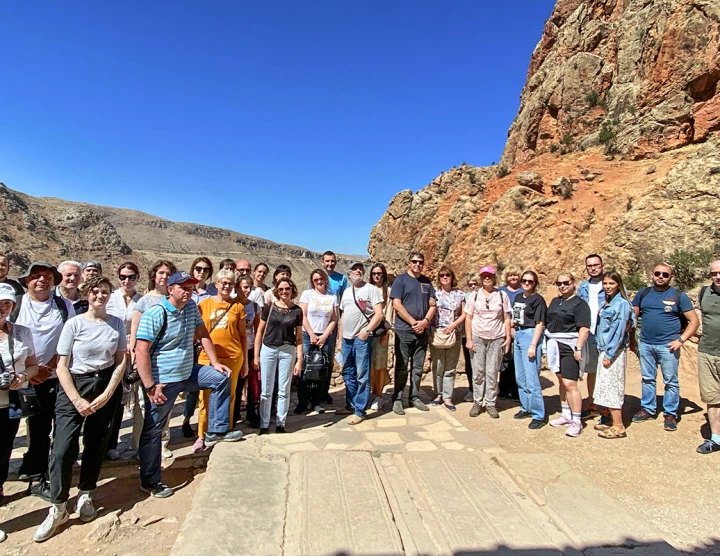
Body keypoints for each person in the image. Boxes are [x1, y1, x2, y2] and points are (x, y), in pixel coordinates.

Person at [33, 276, 127, 542]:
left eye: (105, 292)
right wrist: (76, 399)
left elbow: (121, 360)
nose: (100, 296)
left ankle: (86, 492)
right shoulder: (74, 324)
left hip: (105, 383)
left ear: (110, 295)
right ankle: (58, 505)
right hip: (75, 384)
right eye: (95, 291)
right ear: (88, 294)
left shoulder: (116, 323)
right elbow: (62, 365)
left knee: (96, 443)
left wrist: (109, 393)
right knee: (62, 447)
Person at [136, 271, 241, 498]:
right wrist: (149, 386)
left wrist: (214, 362)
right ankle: (151, 480)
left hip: (187, 373)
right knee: (153, 430)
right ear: (170, 289)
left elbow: (202, 333)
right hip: (163, 381)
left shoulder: (191, 308)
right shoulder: (156, 313)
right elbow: (141, 349)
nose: (187, 291)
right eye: (183, 287)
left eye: (190, 287)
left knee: (221, 378)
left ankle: (216, 430)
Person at [14, 262, 75, 500]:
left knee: (50, 426)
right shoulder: (16, 305)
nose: (42, 280)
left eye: (47, 276)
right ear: (27, 280)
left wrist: (47, 367)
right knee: (31, 428)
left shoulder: (63, 306)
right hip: (21, 377)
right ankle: (32, 472)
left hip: (54, 375)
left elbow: (68, 338)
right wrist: (30, 370)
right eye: (36, 276)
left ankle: (44, 473)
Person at [631, 263, 699, 431]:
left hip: (668, 346)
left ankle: (670, 413)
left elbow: (694, 321)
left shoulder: (678, 296)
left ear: (671, 278)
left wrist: (680, 340)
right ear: (652, 274)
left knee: (670, 381)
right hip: (646, 344)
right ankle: (648, 408)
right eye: (658, 273)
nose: (661, 276)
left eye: (665, 275)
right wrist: (632, 340)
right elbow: (632, 318)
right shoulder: (643, 293)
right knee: (647, 378)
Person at [0, 283, 38, 545]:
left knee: (3, 455)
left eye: (7, 303)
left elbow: (34, 365)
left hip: (10, 405)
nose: (2, 307)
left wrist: (23, 376)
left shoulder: (22, 332)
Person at [193, 270, 247, 452]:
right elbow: (198, 331)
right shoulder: (204, 305)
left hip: (233, 356)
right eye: (223, 282)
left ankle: (225, 429)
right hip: (207, 357)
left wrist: (246, 361)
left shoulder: (238, 307)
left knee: (230, 395)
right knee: (205, 397)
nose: (226, 286)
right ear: (216, 284)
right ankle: (202, 434)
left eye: (230, 283)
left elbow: (242, 335)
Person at [130, 260, 176, 458]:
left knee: (165, 403)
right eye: (161, 273)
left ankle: (162, 443)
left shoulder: (174, 299)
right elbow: (135, 333)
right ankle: (140, 444)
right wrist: (134, 358)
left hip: (167, 360)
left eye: (168, 273)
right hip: (145, 358)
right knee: (143, 404)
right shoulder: (144, 301)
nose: (164, 276)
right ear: (153, 275)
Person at [254, 277, 303, 434]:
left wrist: (299, 359)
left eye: (287, 289)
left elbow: (299, 337)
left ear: (292, 290)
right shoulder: (269, 308)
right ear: (277, 291)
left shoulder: (297, 311)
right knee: (266, 390)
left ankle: (281, 423)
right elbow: (260, 331)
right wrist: (256, 355)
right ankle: (264, 423)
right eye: (281, 289)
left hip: (287, 350)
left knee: (284, 389)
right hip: (268, 349)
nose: (284, 292)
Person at [338, 262, 384, 424]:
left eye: (361, 269)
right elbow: (343, 316)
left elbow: (379, 314)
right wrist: (340, 338)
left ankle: (360, 410)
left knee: (362, 375)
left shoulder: (371, 290)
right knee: (347, 373)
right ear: (349, 273)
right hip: (347, 340)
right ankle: (350, 405)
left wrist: (367, 331)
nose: (358, 271)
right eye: (354, 269)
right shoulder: (346, 292)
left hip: (361, 339)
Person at [105, 262, 142, 460]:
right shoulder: (110, 299)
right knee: (112, 398)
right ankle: (108, 443)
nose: (127, 280)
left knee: (135, 398)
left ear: (138, 278)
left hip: (135, 354)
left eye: (131, 277)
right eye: (123, 276)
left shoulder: (141, 300)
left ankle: (135, 444)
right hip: (112, 353)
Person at [390, 252, 436, 415]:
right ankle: (397, 398)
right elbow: (396, 304)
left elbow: (433, 304)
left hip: (422, 331)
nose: (417, 264)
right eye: (414, 261)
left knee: (417, 366)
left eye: (420, 262)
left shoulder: (426, 282)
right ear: (409, 263)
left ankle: (414, 397)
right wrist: (413, 322)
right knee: (402, 366)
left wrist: (424, 322)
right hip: (404, 330)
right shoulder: (400, 280)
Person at [546, 272, 591, 438]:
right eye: (559, 283)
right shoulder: (555, 301)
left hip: (570, 345)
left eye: (566, 283)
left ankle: (577, 420)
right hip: (555, 344)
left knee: (570, 383)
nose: (562, 286)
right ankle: (566, 414)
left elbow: (584, 328)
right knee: (560, 380)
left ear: (573, 283)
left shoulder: (580, 304)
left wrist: (578, 348)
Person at [465, 266, 511, 419]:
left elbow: (506, 318)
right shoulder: (474, 295)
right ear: (480, 278)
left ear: (494, 277)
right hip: (478, 337)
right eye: (484, 276)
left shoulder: (502, 295)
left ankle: (490, 403)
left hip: (496, 337)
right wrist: (469, 339)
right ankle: (478, 402)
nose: (487, 278)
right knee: (478, 371)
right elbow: (468, 318)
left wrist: (508, 338)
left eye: (489, 275)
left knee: (492, 371)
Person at [594, 271, 634, 439]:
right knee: (606, 385)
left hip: (613, 351)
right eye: (605, 283)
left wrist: (609, 354)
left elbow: (619, 331)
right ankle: (612, 420)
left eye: (611, 283)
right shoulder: (607, 302)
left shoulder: (621, 304)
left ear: (618, 284)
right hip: (605, 349)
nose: (608, 287)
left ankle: (619, 426)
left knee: (612, 387)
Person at [296, 269, 338, 414]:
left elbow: (334, 319)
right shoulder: (307, 294)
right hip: (308, 335)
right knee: (305, 367)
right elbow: (302, 316)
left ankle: (317, 401)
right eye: (315, 280)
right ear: (312, 281)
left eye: (321, 278)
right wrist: (312, 334)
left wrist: (325, 336)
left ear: (326, 279)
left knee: (322, 369)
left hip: (325, 336)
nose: (319, 281)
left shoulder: (332, 296)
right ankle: (303, 401)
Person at [511, 270, 547, 429]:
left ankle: (538, 414)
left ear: (535, 284)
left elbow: (540, 323)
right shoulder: (518, 297)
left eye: (530, 281)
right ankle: (526, 407)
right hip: (518, 334)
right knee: (520, 377)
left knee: (532, 378)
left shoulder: (538, 300)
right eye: (524, 280)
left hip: (530, 335)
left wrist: (533, 344)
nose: (526, 283)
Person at [429, 265, 465, 411]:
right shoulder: (434, 293)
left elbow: (464, 313)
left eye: (447, 275)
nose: (445, 277)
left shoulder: (459, 294)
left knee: (450, 367)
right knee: (438, 366)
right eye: (442, 275)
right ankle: (438, 394)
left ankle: (448, 396)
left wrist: (453, 326)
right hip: (437, 333)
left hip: (454, 334)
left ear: (452, 277)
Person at [577, 254, 605, 417]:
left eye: (596, 265)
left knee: (608, 369)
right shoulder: (583, 287)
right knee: (592, 370)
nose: (593, 268)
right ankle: (593, 404)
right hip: (590, 332)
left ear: (602, 265)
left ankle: (608, 406)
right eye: (589, 266)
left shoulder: (610, 283)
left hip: (606, 333)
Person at [697, 260, 720, 454]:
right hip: (707, 351)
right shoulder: (705, 292)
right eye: (714, 273)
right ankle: (716, 439)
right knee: (712, 397)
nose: (717, 277)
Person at [235, 275, 261, 426]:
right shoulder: (231, 304)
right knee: (236, 384)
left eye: (250, 287)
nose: (247, 290)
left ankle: (252, 413)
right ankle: (234, 413)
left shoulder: (255, 306)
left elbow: (258, 331)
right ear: (237, 287)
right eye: (245, 287)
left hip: (250, 348)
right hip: (235, 350)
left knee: (252, 383)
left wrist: (256, 354)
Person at [368, 263, 393, 410]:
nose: (377, 276)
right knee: (369, 364)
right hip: (368, 331)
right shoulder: (367, 290)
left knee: (380, 364)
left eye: (379, 273)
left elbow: (389, 311)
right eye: (374, 274)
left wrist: (387, 331)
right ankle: (372, 391)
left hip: (382, 331)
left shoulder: (387, 291)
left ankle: (379, 394)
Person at [498, 267, 521, 401]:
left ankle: (516, 390)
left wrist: (514, 326)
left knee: (516, 361)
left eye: (515, 275)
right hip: (503, 328)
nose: (513, 278)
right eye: (510, 275)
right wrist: (507, 327)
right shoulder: (501, 291)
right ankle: (503, 389)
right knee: (505, 360)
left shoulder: (523, 291)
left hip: (518, 329)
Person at [462, 275, 479, 402]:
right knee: (469, 362)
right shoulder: (466, 296)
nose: (473, 286)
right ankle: (472, 389)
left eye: (475, 284)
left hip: (482, 333)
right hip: (467, 334)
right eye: (470, 284)